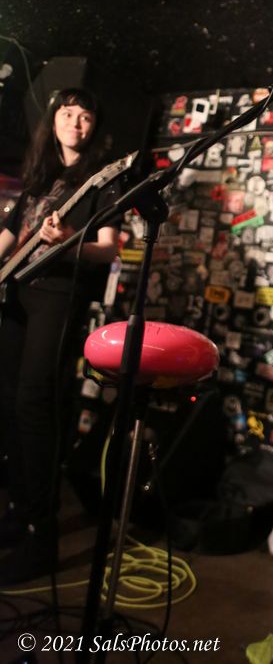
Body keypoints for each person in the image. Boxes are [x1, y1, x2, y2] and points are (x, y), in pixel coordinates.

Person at [0, 88, 120, 585]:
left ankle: (42, 534)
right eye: (67, 114)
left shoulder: (102, 180)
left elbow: (108, 249)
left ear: (94, 127)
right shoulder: (40, 177)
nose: (75, 122)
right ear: (53, 121)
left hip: (58, 295)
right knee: (8, 403)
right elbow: (10, 235)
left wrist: (69, 243)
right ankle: (19, 510)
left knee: (35, 404)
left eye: (85, 116)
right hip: (16, 293)